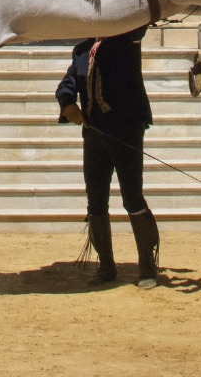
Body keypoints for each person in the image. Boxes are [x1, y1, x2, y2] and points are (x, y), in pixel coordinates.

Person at [55, 25, 161, 288]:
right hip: (93, 134)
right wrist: (67, 103)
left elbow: (140, 21)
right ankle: (106, 265)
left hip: (125, 131)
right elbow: (68, 81)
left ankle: (147, 267)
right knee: (96, 201)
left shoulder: (127, 39)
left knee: (132, 198)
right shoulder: (82, 49)